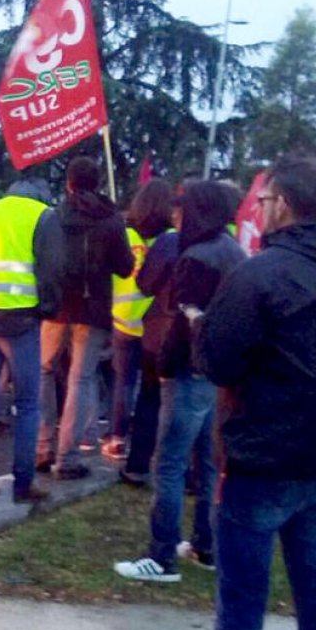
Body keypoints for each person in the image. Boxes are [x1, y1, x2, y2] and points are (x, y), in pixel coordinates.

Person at [197, 156, 316, 630]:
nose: (256, 210)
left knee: (241, 601)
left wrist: (200, 327)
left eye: (261, 200)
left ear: (282, 205)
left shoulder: (260, 274)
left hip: (260, 460)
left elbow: (219, 363)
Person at [114, 179, 245, 583]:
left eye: (181, 207)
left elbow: (182, 324)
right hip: (215, 373)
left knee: (169, 464)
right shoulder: (234, 251)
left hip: (188, 370)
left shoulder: (196, 257)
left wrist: (166, 367)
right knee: (206, 462)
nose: (175, 213)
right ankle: (206, 546)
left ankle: (161, 556)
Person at [0, 180, 62, 502]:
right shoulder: (42, 216)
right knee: (28, 403)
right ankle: (22, 484)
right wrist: (46, 310)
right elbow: (51, 271)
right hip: (19, 320)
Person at [37, 157, 134, 479]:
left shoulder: (53, 216)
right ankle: (67, 458)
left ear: (68, 183)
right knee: (81, 379)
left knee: (44, 371)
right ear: (97, 184)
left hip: (55, 306)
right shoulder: (111, 220)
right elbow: (124, 267)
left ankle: (41, 448)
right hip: (92, 308)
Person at [104, 179, 173, 461]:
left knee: (122, 381)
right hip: (154, 322)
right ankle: (149, 441)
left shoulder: (124, 233)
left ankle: (118, 438)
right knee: (151, 387)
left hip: (121, 318)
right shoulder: (170, 237)